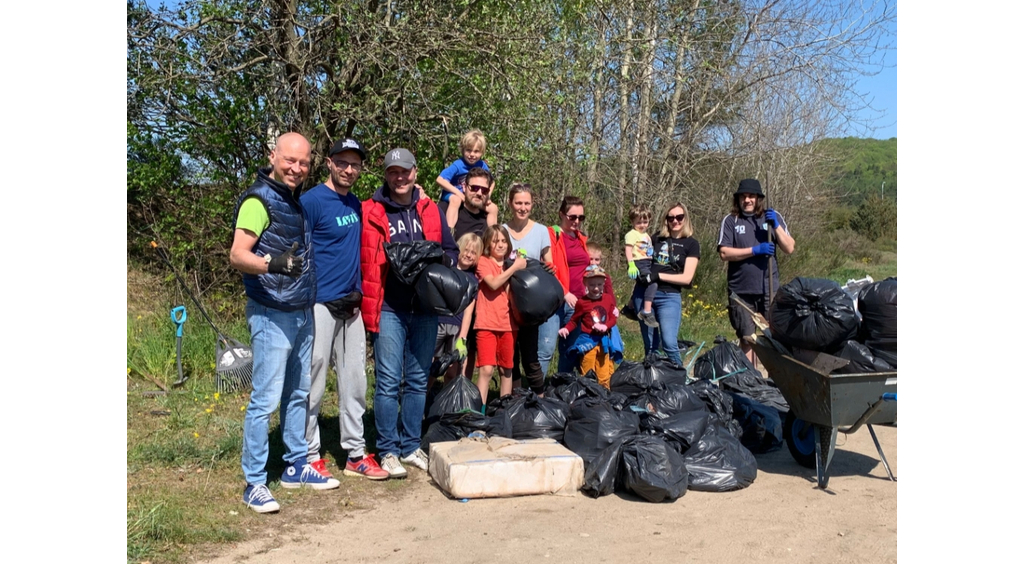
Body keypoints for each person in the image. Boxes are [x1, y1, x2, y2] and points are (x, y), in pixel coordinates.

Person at [229, 132, 340, 514]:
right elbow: (238, 254)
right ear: (273, 155)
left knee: (298, 393)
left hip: (301, 310)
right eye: (290, 160)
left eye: (304, 162)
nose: (296, 168)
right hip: (271, 311)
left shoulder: (295, 203)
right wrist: (272, 264)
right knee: (265, 398)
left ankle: (296, 465)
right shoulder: (258, 200)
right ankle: (254, 482)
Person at [361, 147, 459, 479]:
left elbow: (451, 250)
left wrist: (434, 260)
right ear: (386, 176)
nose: (399, 177)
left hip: (426, 307)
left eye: (405, 171)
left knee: (418, 380)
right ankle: (387, 448)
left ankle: (409, 444)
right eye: (393, 172)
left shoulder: (431, 209)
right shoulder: (372, 210)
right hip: (390, 306)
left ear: (415, 172)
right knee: (388, 381)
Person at [300, 138, 388, 481]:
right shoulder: (311, 202)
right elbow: (298, 250)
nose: (349, 170)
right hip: (319, 303)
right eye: (342, 163)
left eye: (355, 164)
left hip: (351, 305)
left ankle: (355, 453)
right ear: (328, 163)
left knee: (355, 380)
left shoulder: (355, 204)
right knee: (314, 379)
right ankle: (308, 453)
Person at [716, 178, 795, 365]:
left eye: (751, 196)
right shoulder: (731, 220)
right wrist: (754, 250)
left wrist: (775, 225)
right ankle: (751, 381)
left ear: (758, 198)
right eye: (743, 196)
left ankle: (776, 381)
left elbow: (790, 248)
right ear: (738, 199)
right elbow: (724, 253)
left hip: (769, 288)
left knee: (775, 336)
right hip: (741, 292)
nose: (747, 200)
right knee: (747, 338)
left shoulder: (772, 216)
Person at [633, 203, 701, 366]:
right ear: (666, 220)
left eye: (679, 217)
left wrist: (658, 276)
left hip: (669, 297)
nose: (675, 221)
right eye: (671, 218)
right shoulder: (656, 238)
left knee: (669, 343)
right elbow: (640, 258)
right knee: (650, 347)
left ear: (685, 219)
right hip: (644, 294)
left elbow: (686, 278)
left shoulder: (691, 244)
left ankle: (680, 379)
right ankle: (653, 382)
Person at [502, 183, 555, 392]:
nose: (522, 208)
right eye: (518, 203)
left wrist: (552, 270)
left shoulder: (541, 231)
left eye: (527, 203)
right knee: (510, 355)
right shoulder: (503, 230)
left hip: (531, 304)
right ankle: (514, 401)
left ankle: (539, 399)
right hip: (506, 300)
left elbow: (548, 262)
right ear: (510, 203)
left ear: (532, 204)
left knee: (530, 355)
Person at [474, 225, 527, 400]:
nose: (500, 245)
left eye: (504, 241)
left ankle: (504, 411)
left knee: (506, 369)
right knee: (486, 369)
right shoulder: (483, 261)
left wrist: (517, 265)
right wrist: (514, 268)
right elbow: (493, 283)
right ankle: (478, 414)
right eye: (496, 241)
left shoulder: (510, 263)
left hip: (508, 324)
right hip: (486, 322)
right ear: (488, 243)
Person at [548, 196, 592, 373]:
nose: (576, 221)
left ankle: (563, 389)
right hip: (556, 300)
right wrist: (565, 292)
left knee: (570, 350)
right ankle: (537, 391)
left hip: (578, 302)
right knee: (546, 349)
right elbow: (549, 268)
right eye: (572, 216)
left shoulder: (581, 239)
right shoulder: (552, 234)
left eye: (581, 217)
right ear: (561, 214)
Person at [558, 266, 619, 388]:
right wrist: (566, 329)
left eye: (599, 284)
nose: (596, 288)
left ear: (604, 283)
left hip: (604, 341)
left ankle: (604, 394)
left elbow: (613, 318)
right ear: (585, 284)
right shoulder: (582, 302)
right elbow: (574, 320)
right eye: (592, 285)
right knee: (587, 370)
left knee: (604, 373)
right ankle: (587, 394)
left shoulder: (607, 299)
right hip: (588, 341)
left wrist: (605, 326)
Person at [433, 233, 482, 382]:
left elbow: (469, 311)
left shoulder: (473, 280)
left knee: (452, 371)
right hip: (438, 323)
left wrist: (463, 337)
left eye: (473, 253)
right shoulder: (446, 269)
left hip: (457, 328)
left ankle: (446, 404)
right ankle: (424, 400)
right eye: (466, 250)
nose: (468, 255)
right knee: (431, 368)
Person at [437, 130, 499, 229]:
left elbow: (492, 182)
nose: (472, 154)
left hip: (471, 196)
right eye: (468, 150)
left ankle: (493, 235)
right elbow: (440, 179)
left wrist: (487, 196)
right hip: (453, 194)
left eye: (476, 151)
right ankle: (450, 230)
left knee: (493, 208)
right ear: (463, 150)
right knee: (456, 201)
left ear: (482, 152)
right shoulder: (458, 165)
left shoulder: (482, 165)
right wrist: (458, 193)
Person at [624, 205, 659, 328]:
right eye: (639, 222)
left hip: (647, 262)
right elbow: (628, 250)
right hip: (638, 263)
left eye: (645, 222)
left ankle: (630, 307)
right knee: (652, 283)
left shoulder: (646, 235)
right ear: (633, 221)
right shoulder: (632, 234)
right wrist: (631, 264)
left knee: (642, 284)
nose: (642, 225)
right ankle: (647, 311)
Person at [439, 167, 496, 241]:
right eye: (474, 188)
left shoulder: (488, 219)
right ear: (464, 187)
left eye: (484, 190)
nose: (479, 193)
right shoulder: (444, 210)